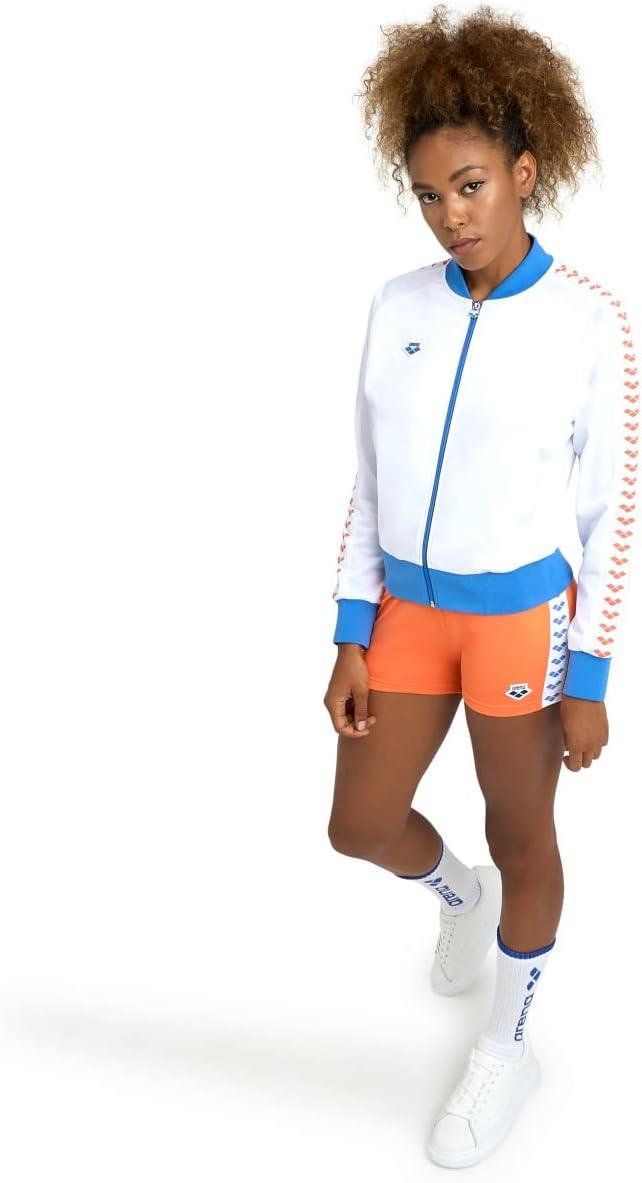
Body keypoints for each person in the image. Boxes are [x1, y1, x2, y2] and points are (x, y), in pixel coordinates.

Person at [323, 3, 638, 1169]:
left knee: (523, 830)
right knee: (359, 824)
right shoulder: (398, 305)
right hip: (408, 618)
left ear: (525, 171)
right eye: (428, 195)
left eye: (470, 185)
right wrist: (352, 628)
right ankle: (459, 898)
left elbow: (613, 515)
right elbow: (369, 480)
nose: (451, 215)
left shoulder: (588, 321)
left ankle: (508, 1044)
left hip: (519, 624)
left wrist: (591, 676)